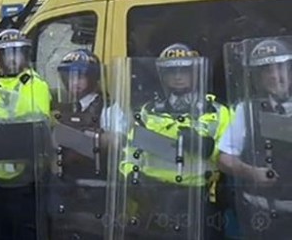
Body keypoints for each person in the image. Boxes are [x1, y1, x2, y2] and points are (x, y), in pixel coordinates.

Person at [115, 43, 231, 239]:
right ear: (163, 76)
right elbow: (131, 154)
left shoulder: (218, 112)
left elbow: (230, 156)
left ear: (195, 73)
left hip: (198, 201)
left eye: (184, 71)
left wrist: (207, 147)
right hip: (153, 199)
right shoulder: (148, 111)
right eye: (171, 71)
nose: (178, 76)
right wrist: (130, 179)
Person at [0, 29, 51, 240]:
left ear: (25, 55)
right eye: (6, 54)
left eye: (16, 53)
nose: (11, 59)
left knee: (24, 233)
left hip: (25, 177)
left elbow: (36, 128)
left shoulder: (35, 85)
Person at [219, 37, 292, 239]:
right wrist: (251, 173)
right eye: (267, 70)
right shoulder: (247, 110)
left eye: (280, 68)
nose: (275, 76)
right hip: (261, 220)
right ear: (258, 77)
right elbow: (224, 158)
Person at [49, 48, 108, 240]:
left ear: (93, 78)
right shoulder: (65, 109)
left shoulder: (108, 107)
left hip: (96, 186)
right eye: (70, 77)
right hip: (66, 186)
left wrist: (82, 137)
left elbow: (118, 142)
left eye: (81, 77)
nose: (74, 83)